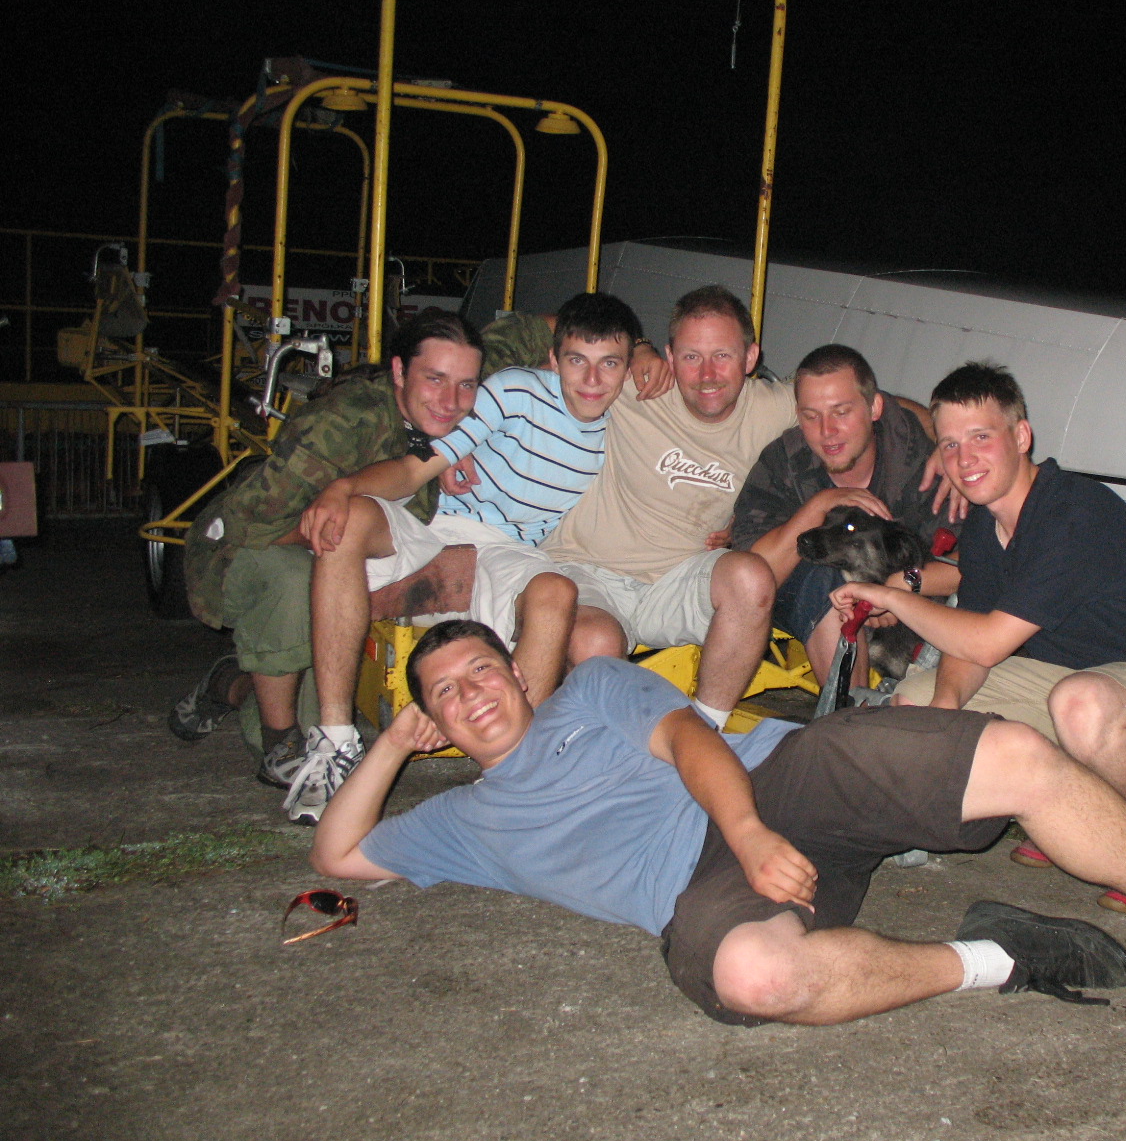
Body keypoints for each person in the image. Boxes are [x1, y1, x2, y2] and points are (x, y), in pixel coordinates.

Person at [310, 620, 1126, 1028]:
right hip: (703, 890)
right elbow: (337, 853)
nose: (473, 693)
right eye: (444, 693)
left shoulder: (587, 691)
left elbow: (693, 743)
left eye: (482, 669)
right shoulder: (464, 820)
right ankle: (1001, 955)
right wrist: (390, 744)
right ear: (434, 721)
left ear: (516, 673)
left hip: (781, 783)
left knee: (1017, 755)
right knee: (754, 980)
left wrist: (753, 830)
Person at [832, 362, 1126, 915]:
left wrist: (895, 596)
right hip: (1064, 678)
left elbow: (989, 642)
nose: (964, 459)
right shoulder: (986, 524)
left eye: (981, 437)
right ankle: (1071, 808)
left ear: (1021, 437)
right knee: (916, 702)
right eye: (950, 444)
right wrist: (944, 711)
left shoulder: (1074, 512)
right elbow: (968, 644)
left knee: (1080, 705)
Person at [285, 293, 660, 825]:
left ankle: (516, 774)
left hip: (509, 550)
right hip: (438, 525)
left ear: (625, 369)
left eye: (611, 364)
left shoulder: (627, 420)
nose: (593, 380)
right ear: (553, 360)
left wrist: (646, 350)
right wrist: (342, 488)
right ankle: (334, 743)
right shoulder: (513, 391)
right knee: (350, 520)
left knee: (556, 592)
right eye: (577, 360)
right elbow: (415, 469)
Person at [169, 308, 484, 783]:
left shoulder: (447, 416)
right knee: (292, 581)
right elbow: (252, 520)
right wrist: (333, 527)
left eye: (466, 385)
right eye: (435, 379)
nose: (451, 400)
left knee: (315, 688)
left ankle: (228, 681)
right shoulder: (345, 421)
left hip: (326, 563)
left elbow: (529, 335)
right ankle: (278, 742)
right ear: (399, 372)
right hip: (237, 551)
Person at [532, 285, 799, 731]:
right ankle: (579, 747)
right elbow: (553, 337)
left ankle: (705, 730)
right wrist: (460, 445)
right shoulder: (633, 385)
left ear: (751, 358)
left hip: (678, 580)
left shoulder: (770, 407)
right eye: (692, 356)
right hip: (589, 569)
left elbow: (856, 401)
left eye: (723, 355)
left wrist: (929, 437)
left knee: (751, 578)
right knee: (596, 641)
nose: (708, 374)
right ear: (671, 357)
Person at [731, 343, 961, 686]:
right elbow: (751, 576)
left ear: (874, 408)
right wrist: (819, 505)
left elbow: (978, 562)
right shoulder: (784, 462)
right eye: (811, 416)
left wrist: (893, 590)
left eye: (841, 412)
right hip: (807, 601)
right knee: (825, 582)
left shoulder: (920, 462)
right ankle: (850, 714)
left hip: (916, 603)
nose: (827, 431)